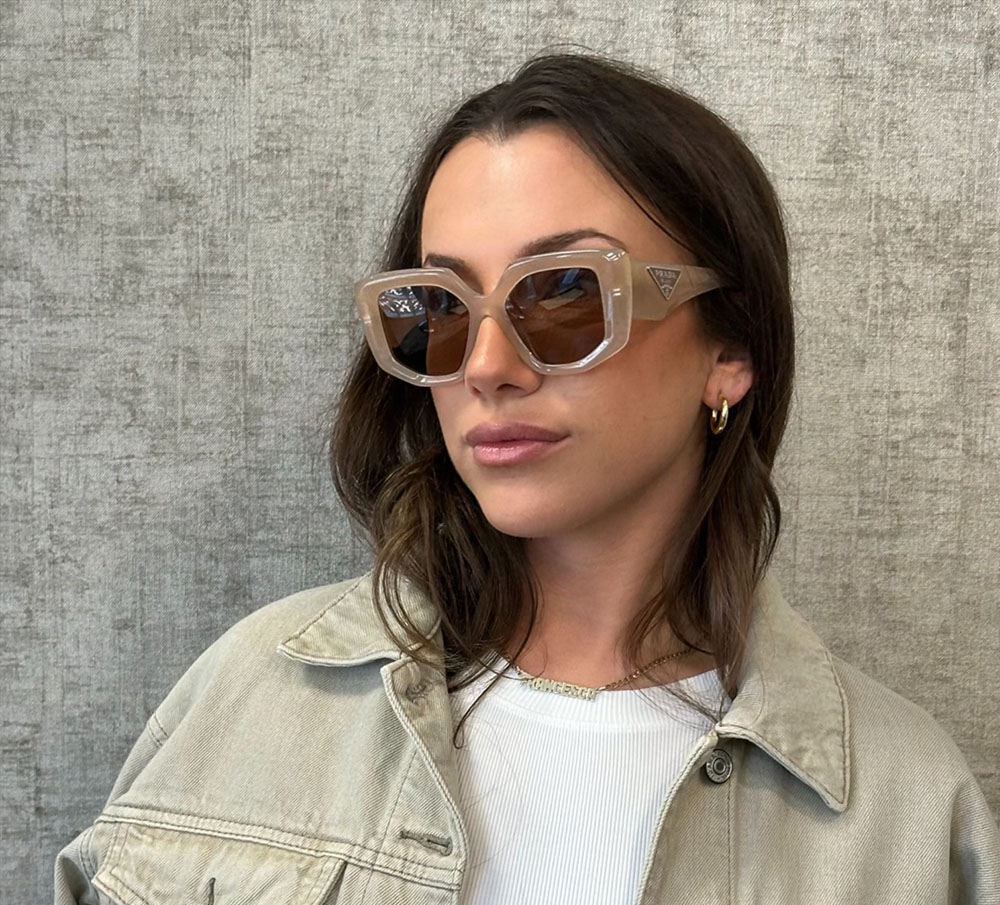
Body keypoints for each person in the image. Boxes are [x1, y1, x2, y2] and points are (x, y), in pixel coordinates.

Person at [54, 51, 998, 905]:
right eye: (439, 308)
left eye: (563, 293)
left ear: (731, 350)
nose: (486, 367)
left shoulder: (906, 811)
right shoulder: (248, 702)